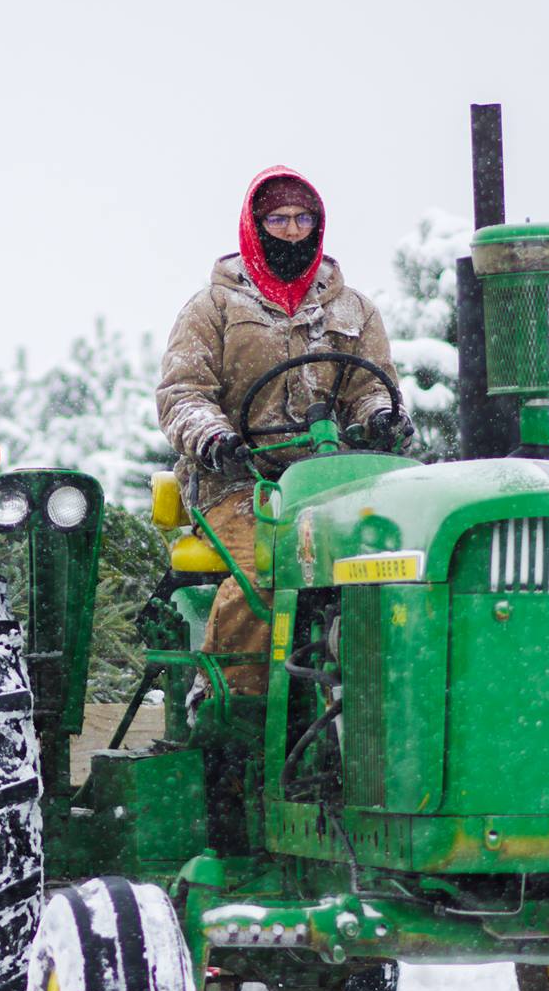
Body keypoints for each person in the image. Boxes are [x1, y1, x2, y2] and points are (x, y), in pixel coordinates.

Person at [156, 167, 408, 697]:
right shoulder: (214, 307)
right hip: (241, 485)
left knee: (398, 570)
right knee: (266, 577)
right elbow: (183, 395)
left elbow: (369, 388)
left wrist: (380, 416)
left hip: (335, 480)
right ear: (254, 223)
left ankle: (382, 703)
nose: (292, 230)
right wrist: (215, 440)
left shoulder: (353, 309)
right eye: (278, 218)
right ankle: (232, 710)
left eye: (303, 217)